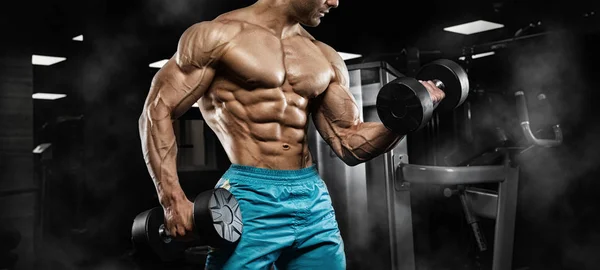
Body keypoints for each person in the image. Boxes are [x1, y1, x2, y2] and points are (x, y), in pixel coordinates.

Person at [138, 0, 445, 269]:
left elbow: (349, 143)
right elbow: (157, 110)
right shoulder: (217, 36)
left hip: (312, 199)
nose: (335, 2)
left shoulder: (324, 57)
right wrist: (172, 200)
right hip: (250, 196)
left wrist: (406, 117)